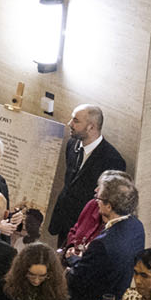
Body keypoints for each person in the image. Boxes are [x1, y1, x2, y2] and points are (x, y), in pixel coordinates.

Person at [47, 104, 125, 242]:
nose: (70, 124)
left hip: (86, 228)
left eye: (76, 121)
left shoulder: (113, 160)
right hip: (64, 220)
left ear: (91, 127)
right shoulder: (72, 144)